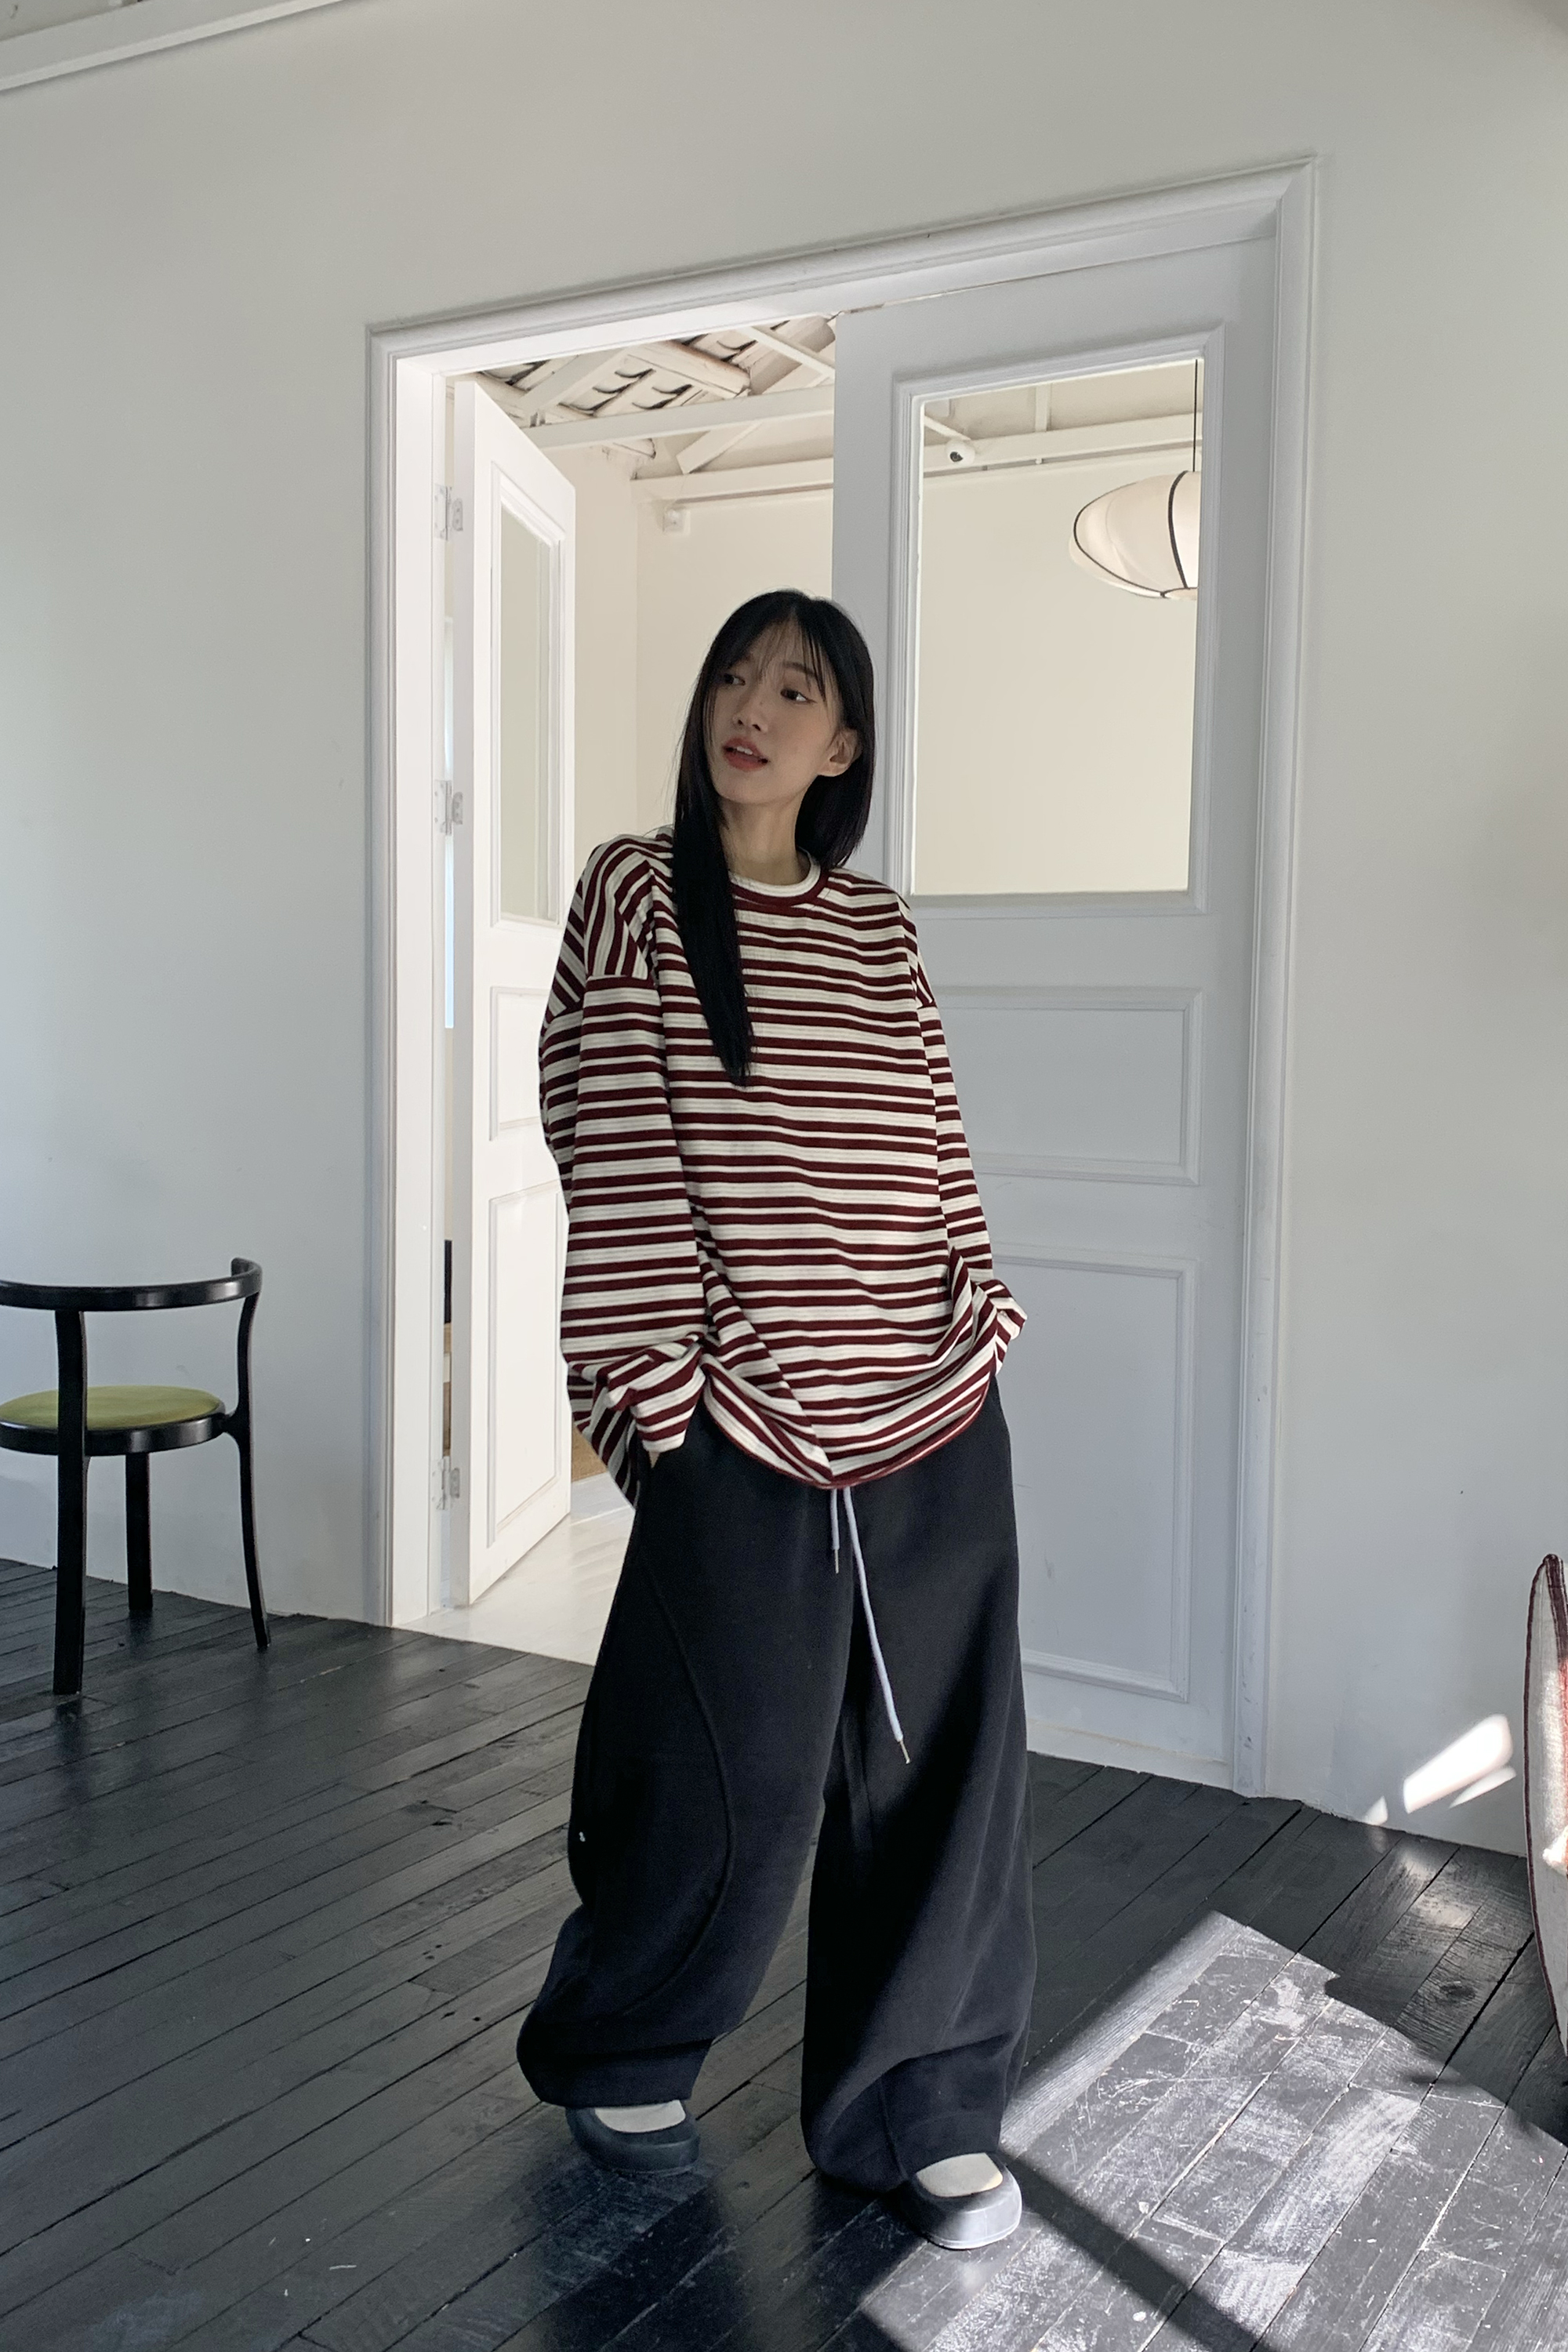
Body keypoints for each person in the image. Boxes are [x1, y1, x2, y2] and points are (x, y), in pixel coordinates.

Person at [515, 589, 1036, 2252]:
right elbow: (600, 1121)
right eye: (733, 677)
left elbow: (933, 1135)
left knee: (940, 1766)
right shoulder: (639, 891)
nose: (750, 707)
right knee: (718, 1754)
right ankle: (624, 2043)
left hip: (931, 1391)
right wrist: (655, 1386)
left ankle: (919, 2106)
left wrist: (977, 1306)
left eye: (794, 689)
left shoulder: (877, 926)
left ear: (843, 743)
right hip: (737, 1405)